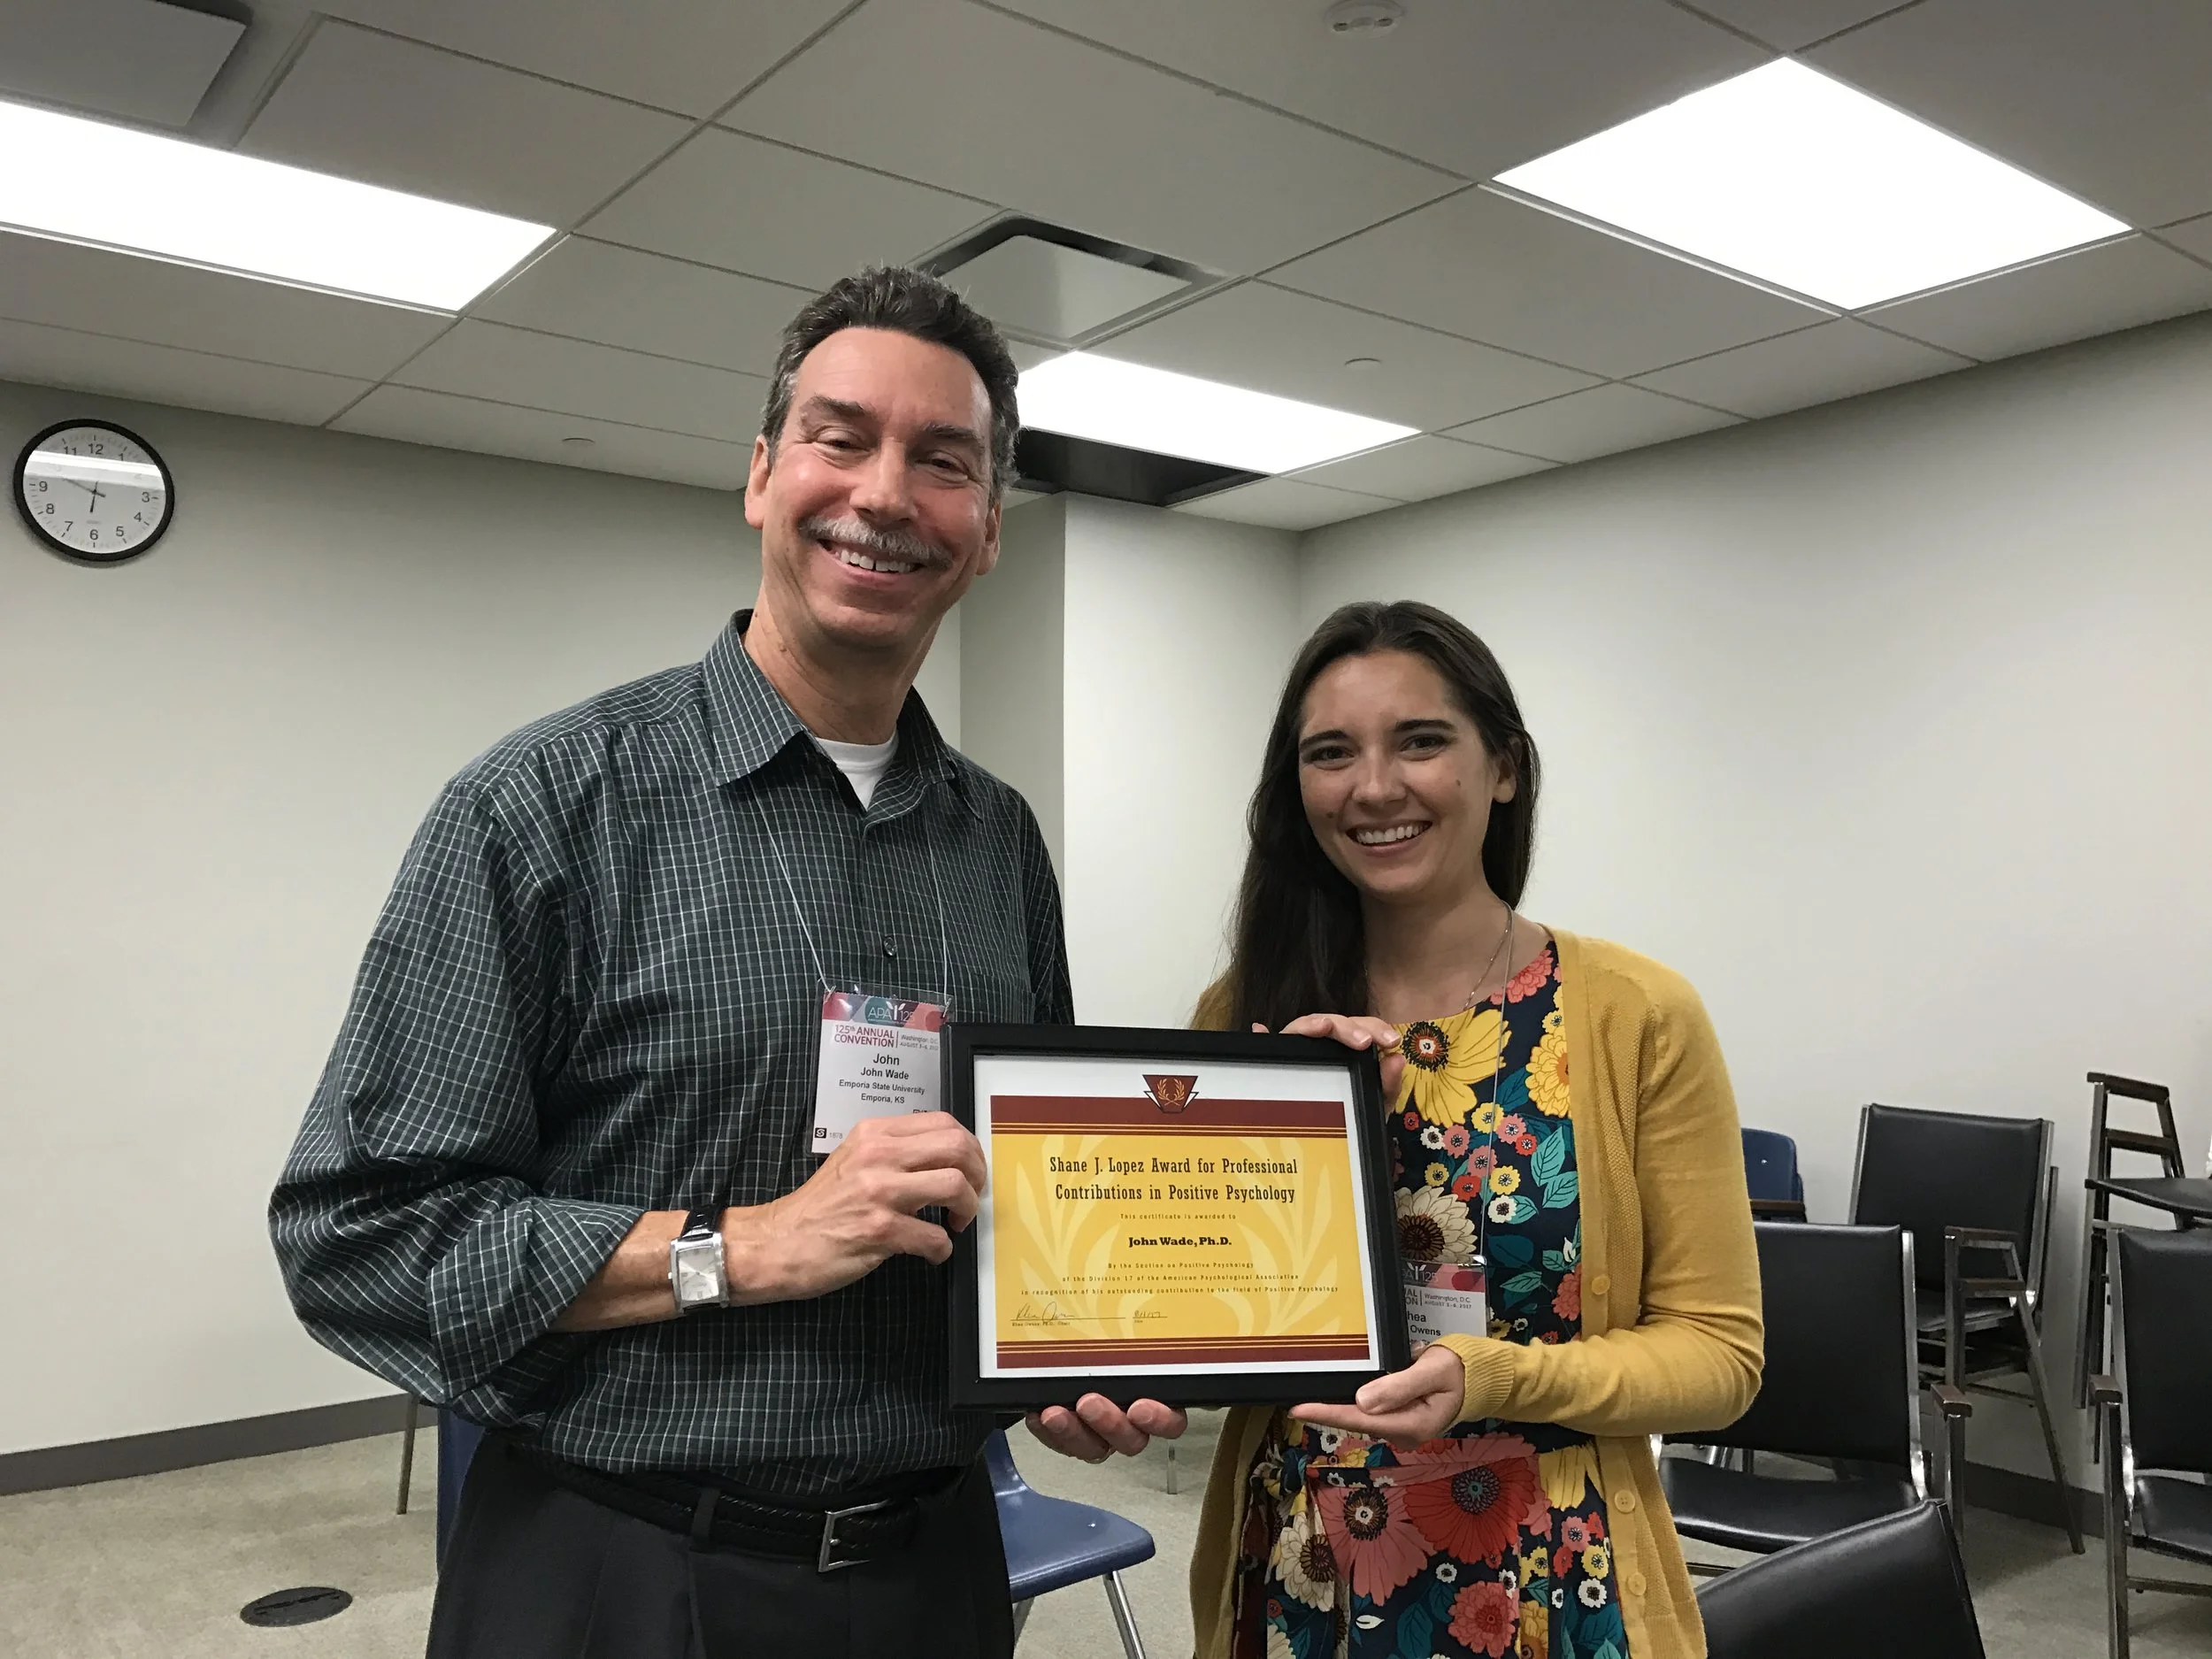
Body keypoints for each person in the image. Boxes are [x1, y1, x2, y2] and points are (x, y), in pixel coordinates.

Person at [269, 266, 1067, 1659]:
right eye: (839, 437)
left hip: (935, 1571)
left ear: (988, 527)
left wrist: (1079, 1350)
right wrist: (739, 1243)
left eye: (945, 461)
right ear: (761, 474)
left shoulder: (996, 838)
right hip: (623, 1570)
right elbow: (362, 1236)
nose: (885, 493)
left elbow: (1024, 1188)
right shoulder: (543, 805)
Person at [1030, 600, 1762, 1659]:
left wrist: (1492, 1379)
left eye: (1419, 741)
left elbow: (1718, 1357)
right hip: (1297, 1565)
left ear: (1503, 767)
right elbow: (1189, 1293)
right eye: (1331, 754)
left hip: (1549, 1573)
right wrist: (1100, 1373)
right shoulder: (1247, 1013)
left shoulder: (1633, 1014)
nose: (1373, 788)